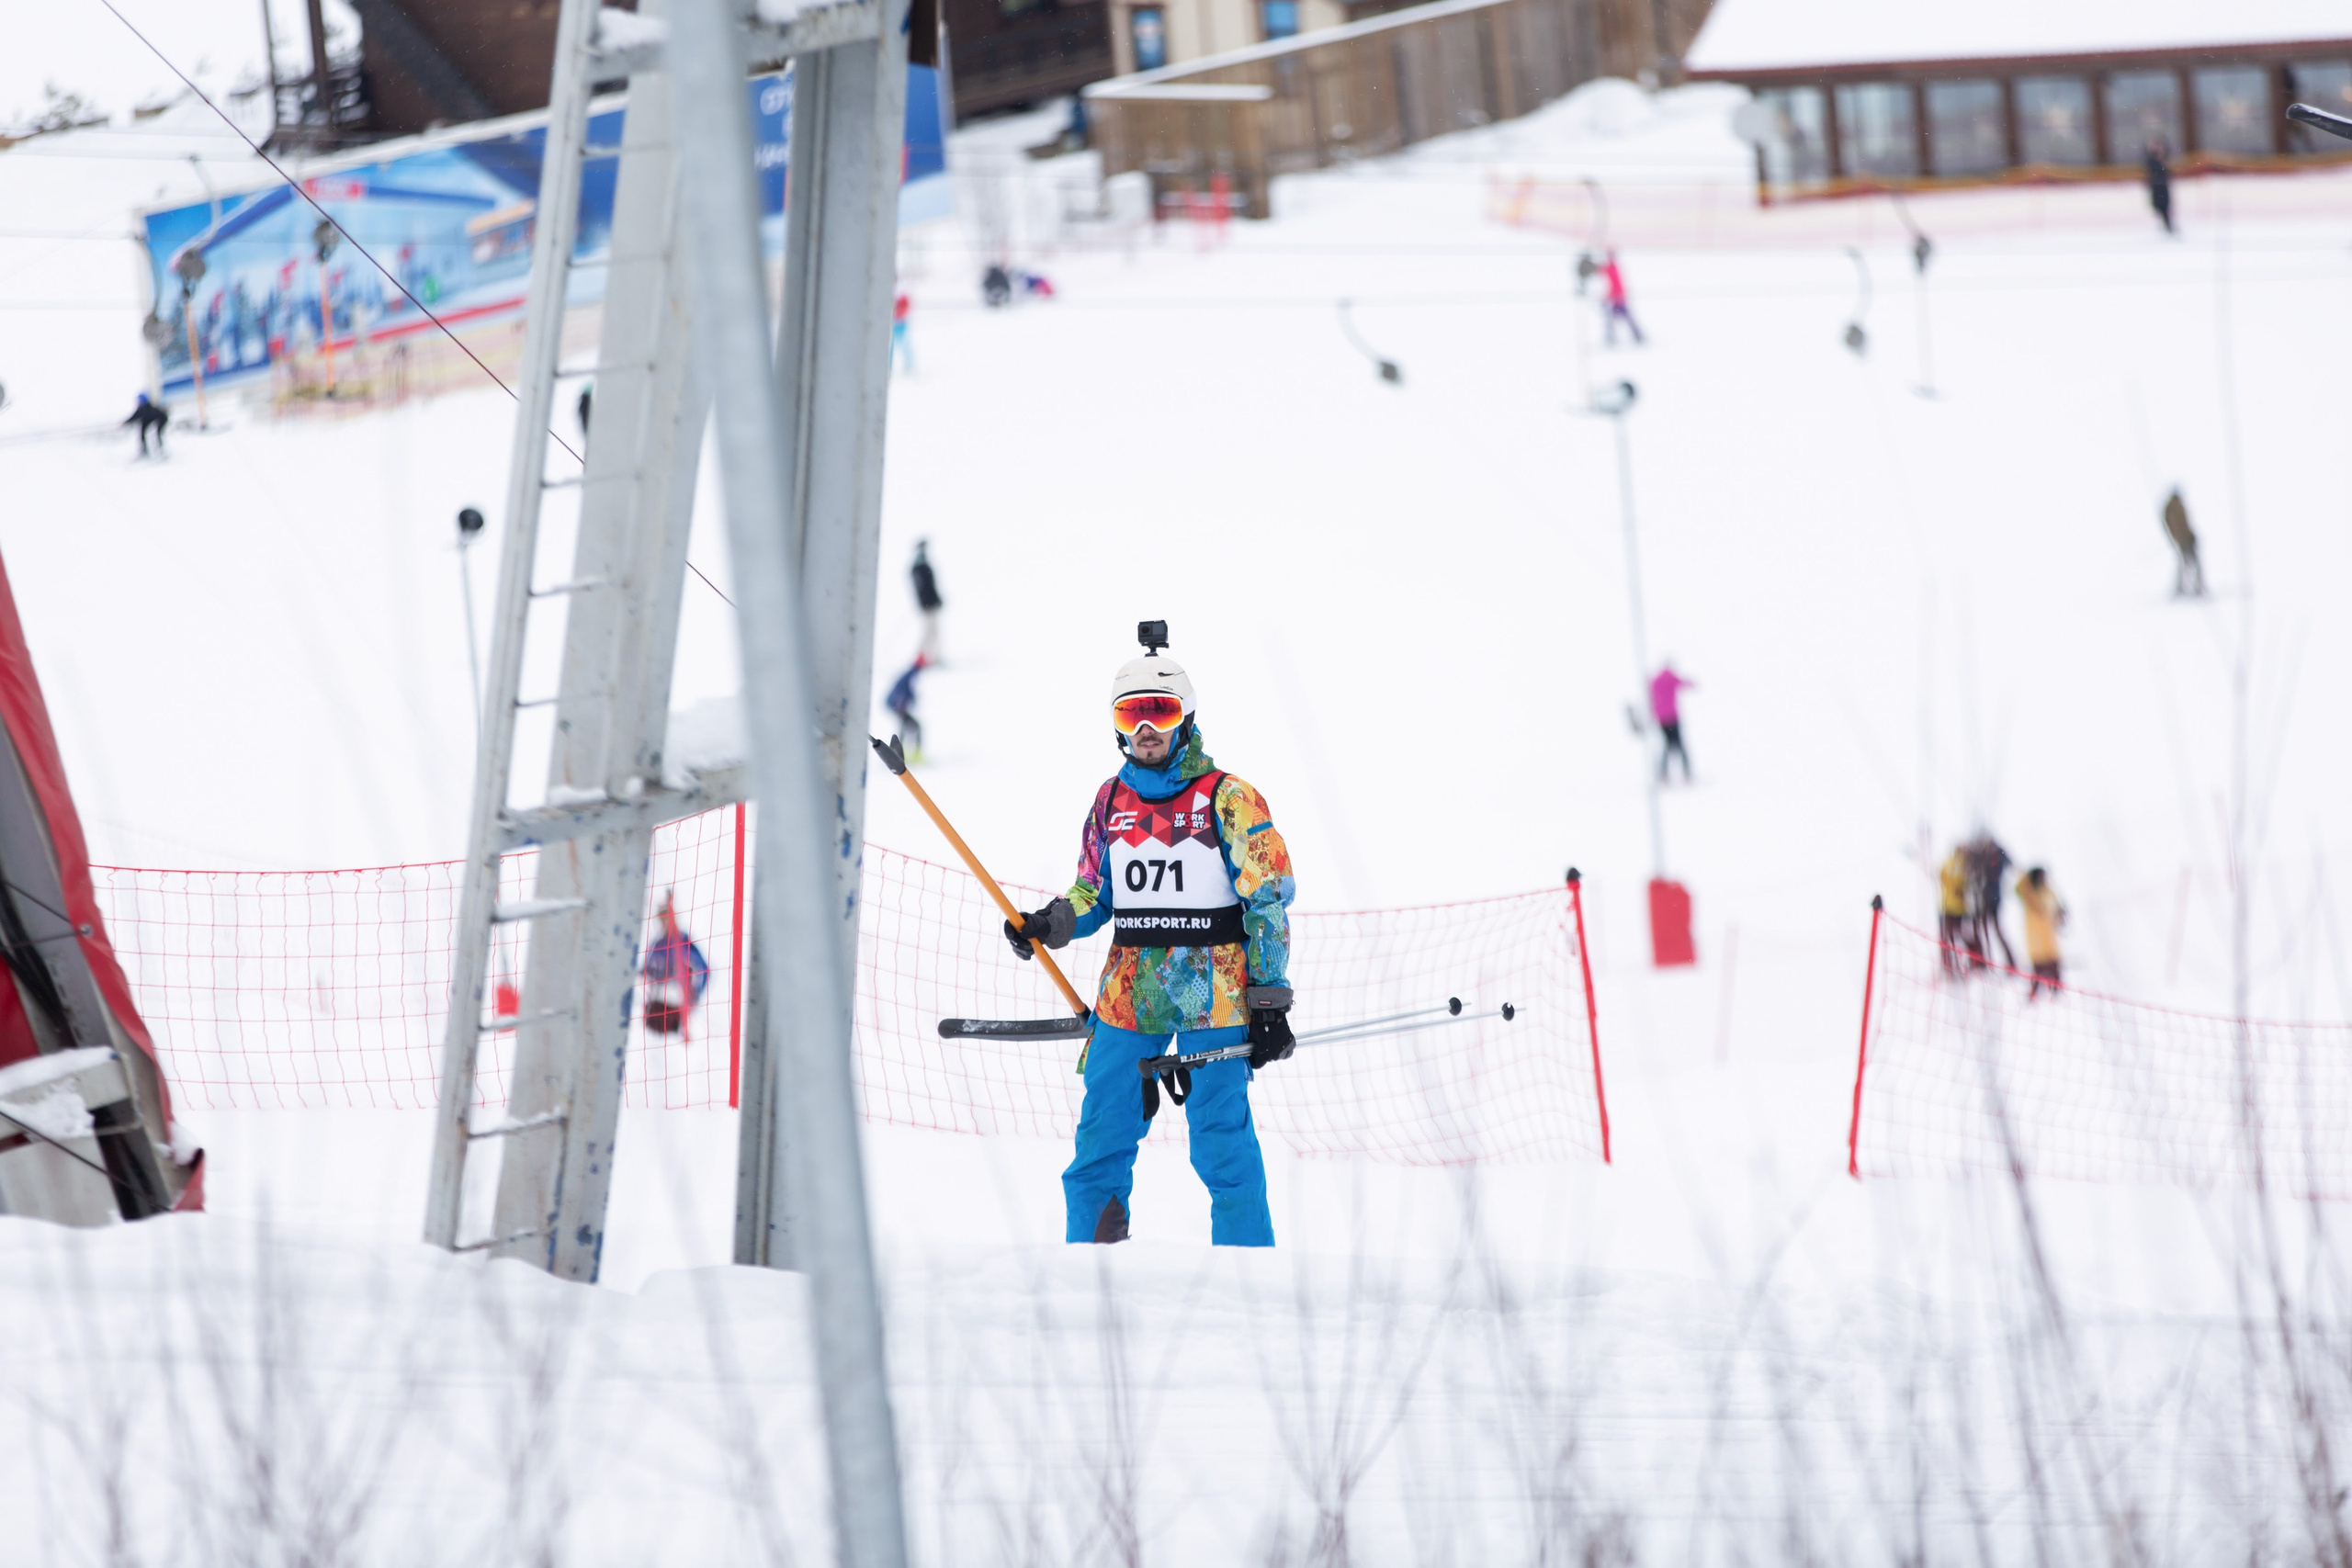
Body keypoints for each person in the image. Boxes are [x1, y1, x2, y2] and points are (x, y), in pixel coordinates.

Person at [1002, 631, 1295, 1247]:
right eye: (1130, 714)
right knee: (1100, 1137)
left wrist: (1268, 1002)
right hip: (1128, 993)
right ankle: (1093, 1268)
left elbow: (1266, 902)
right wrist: (1051, 922)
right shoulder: (1111, 801)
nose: (1145, 729)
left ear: (1184, 716)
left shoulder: (1229, 798)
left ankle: (1250, 1275)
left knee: (1221, 1144)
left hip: (1212, 993)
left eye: (1158, 712)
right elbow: (1093, 893)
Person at [641, 890, 710, 1036]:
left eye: (667, 919)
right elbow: (649, 969)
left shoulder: (685, 944)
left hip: (676, 1005)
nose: (664, 923)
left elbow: (705, 970)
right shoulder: (657, 945)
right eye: (661, 920)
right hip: (658, 1005)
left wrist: (695, 995)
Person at [1967, 833, 2017, 971]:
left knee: (1996, 931)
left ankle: (2010, 963)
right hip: (1980, 898)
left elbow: (2008, 864)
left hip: (1992, 899)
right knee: (1979, 931)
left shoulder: (1996, 856)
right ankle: (1981, 961)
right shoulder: (1980, 857)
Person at [2015, 866, 2065, 998]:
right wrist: (2026, 875)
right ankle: (2035, 993)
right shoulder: (2029, 893)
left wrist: (2061, 914)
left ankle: (2057, 993)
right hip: (2035, 936)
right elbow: (2018, 888)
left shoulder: (2048, 892)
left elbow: (2057, 908)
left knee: (2054, 965)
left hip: (2048, 935)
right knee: (2038, 967)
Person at [1650, 662, 1693, 783]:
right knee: (1680, 745)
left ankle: (1664, 774)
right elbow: (1684, 683)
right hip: (1672, 718)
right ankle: (1687, 773)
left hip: (1661, 719)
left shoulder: (1656, 680)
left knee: (1667, 746)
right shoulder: (1670, 677)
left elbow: (1649, 691)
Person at [883, 652, 927, 763]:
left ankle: (898, 753)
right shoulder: (912, 673)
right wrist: (904, 702)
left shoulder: (911, 673)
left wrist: (911, 699)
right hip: (895, 705)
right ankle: (908, 754)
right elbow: (904, 689)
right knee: (914, 726)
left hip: (894, 704)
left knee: (908, 726)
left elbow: (906, 690)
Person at [2162, 487, 2205, 597]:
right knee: (2192, 563)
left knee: (2185, 563)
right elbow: (2179, 526)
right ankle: (2196, 587)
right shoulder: (2175, 507)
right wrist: (2185, 538)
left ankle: (2184, 587)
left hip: (2184, 539)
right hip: (2185, 540)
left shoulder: (2173, 507)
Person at [1938, 845, 1971, 976]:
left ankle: (1952, 965)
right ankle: (1951, 965)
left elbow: (1943, 877)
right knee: (1951, 938)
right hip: (1952, 908)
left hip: (1953, 908)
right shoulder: (1957, 865)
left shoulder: (1952, 864)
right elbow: (1945, 878)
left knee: (1951, 938)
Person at [1601, 249, 1644, 346]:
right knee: (1613, 319)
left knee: (1618, 318)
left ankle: (1637, 335)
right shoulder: (1610, 267)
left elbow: (1616, 285)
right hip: (1616, 298)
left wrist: (1611, 297)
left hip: (1618, 298)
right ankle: (1636, 335)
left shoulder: (1612, 268)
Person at [910, 539, 943, 661]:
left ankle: (930, 657)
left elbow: (931, 586)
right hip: (927, 605)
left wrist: (936, 599)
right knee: (930, 631)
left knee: (932, 631)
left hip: (931, 604)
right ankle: (922, 658)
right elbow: (922, 589)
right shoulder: (918, 568)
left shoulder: (923, 565)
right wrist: (927, 602)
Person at [124, 391, 169, 457]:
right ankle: (144, 451)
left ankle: (161, 450)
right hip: (148, 420)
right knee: (142, 433)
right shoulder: (141, 409)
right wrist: (126, 422)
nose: (139, 402)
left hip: (161, 419)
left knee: (157, 433)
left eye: (140, 400)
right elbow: (134, 416)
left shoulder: (148, 408)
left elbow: (161, 415)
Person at [2143, 140, 2174, 236]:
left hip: (2162, 186)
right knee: (2159, 207)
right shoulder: (2152, 159)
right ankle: (2166, 225)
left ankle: (2168, 226)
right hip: (2157, 186)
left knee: (2165, 207)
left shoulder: (2163, 157)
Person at [890, 290, 913, 374]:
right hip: (893, 323)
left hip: (901, 323)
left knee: (905, 345)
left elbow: (905, 306)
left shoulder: (902, 293)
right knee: (891, 346)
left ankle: (909, 365)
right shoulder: (894, 293)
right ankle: (889, 366)